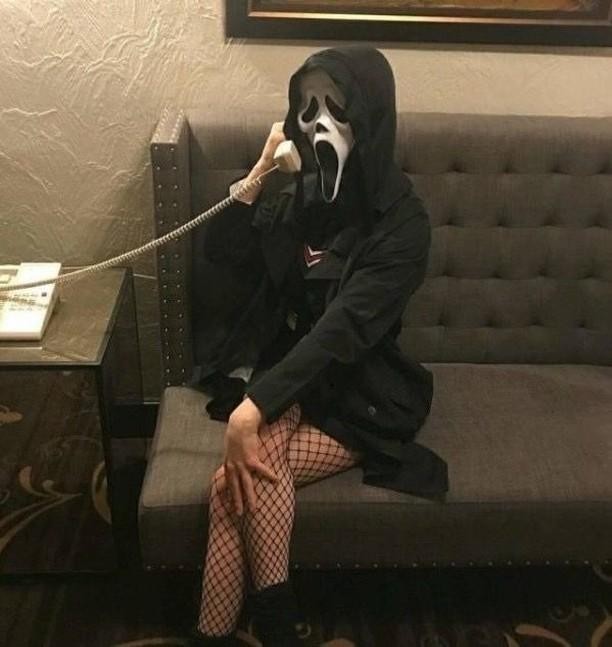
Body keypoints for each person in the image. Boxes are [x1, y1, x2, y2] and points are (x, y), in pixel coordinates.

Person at [189, 45, 448, 646]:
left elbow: (342, 331)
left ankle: (253, 631)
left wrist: (253, 408)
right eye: (307, 109)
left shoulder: (402, 223)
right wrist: (260, 173)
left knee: (233, 486)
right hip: (292, 376)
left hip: (357, 389)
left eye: (337, 107)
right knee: (241, 482)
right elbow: (222, 253)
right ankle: (273, 627)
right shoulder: (303, 197)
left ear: (370, 116)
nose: (318, 124)